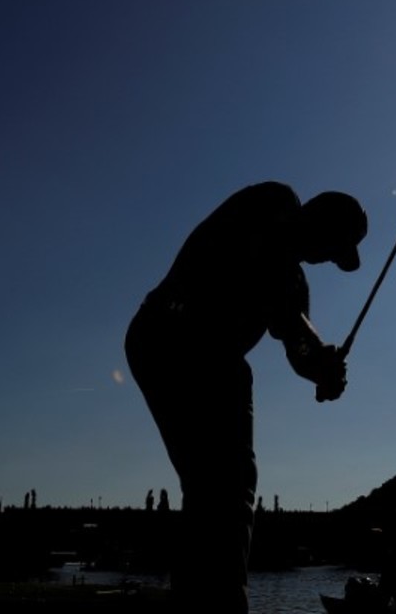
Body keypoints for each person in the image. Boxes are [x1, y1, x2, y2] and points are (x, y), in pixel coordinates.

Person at [125, 181, 367, 613]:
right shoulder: (273, 201)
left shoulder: (295, 284)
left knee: (216, 484)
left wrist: (322, 370)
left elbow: (296, 344)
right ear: (321, 219)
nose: (329, 259)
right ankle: (219, 602)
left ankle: (202, 598)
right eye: (334, 248)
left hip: (214, 359)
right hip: (166, 335)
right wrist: (314, 349)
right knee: (222, 480)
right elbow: (273, 276)